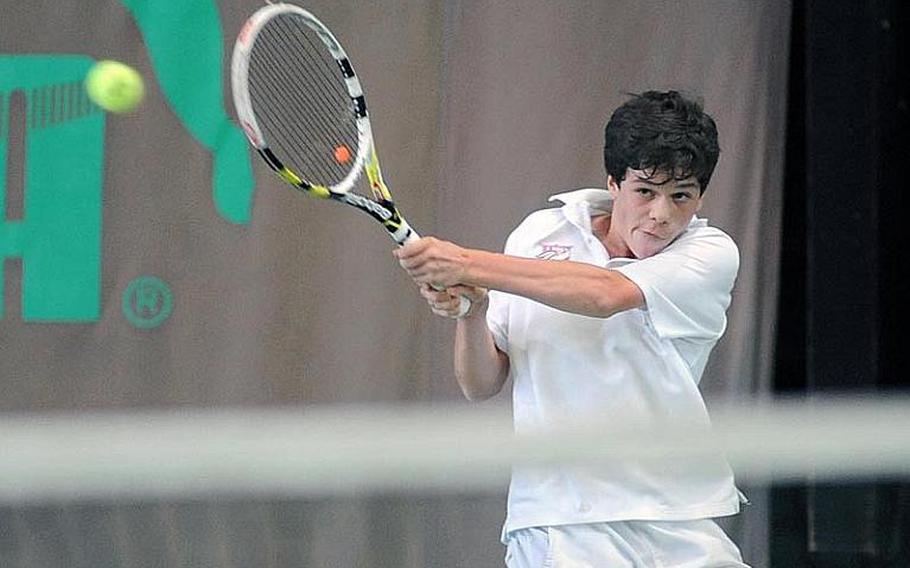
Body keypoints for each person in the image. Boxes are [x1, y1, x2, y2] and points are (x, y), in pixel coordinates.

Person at [395, 90, 748, 567]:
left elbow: (604, 295)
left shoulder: (710, 253)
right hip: (559, 520)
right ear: (613, 183)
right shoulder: (538, 234)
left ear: (699, 197)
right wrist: (472, 311)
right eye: (646, 191)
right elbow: (480, 384)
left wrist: (465, 263)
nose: (661, 214)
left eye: (680, 196)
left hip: (678, 516)